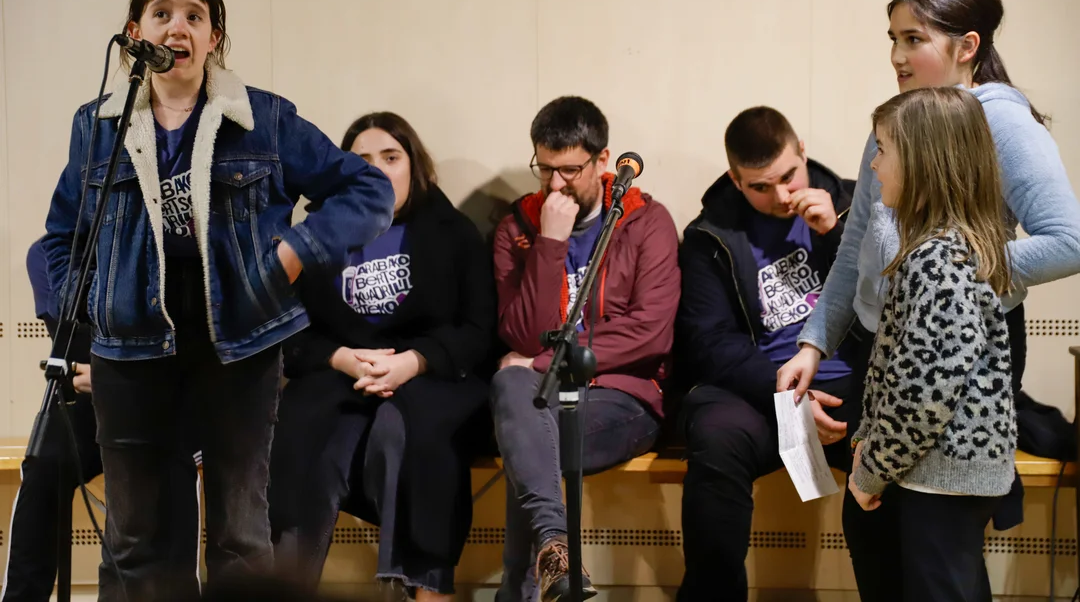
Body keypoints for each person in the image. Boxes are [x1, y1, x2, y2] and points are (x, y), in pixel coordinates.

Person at [42, 0, 395, 600]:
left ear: (214, 38)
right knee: (138, 539)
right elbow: (61, 238)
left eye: (194, 16)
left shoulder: (264, 118)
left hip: (240, 345)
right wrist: (88, 308)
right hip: (131, 353)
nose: (177, 27)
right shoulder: (96, 126)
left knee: (240, 536)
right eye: (161, 14)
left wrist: (296, 251)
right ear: (135, 33)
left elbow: (368, 190)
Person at [777, 0, 1080, 594]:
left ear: (967, 46)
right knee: (877, 530)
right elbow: (856, 247)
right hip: (886, 347)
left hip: (952, 350)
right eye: (892, 38)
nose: (896, 55)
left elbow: (1069, 241)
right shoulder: (894, 127)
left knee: (934, 543)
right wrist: (815, 341)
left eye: (913, 39)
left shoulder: (1003, 124)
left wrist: (949, 272)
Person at [269, 112, 496, 601]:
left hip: (434, 375)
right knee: (304, 430)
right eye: (362, 161)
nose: (377, 170)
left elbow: (478, 331)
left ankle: (422, 588)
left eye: (391, 158)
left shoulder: (453, 232)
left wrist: (414, 361)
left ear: (414, 165)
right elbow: (291, 337)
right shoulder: (316, 236)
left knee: (409, 432)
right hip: (341, 373)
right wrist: (341, 358)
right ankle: (286, 583)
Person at [490, 96, 680, 601]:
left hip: (624, 397)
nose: (555, 184)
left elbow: (650, 333)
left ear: (602, 160)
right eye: (545, 169)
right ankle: (557, 551)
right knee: (514, 391)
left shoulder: (645, 222)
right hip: (540, 397)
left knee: (527, 440)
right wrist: (550, 244)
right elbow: (521, 336)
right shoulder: (517, 229)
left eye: (570, 170)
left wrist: (541, 360)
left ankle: (520, 589)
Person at [674, 106, 862, 601]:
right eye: (760, 186)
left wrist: (836, 235)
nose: (781, 196)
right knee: (716, 439)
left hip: (853, 381)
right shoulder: (708, 236)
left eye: (788, 177)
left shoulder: (856, 205)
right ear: (736, 180)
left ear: (803, 152)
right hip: (762, 388)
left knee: (898, 440)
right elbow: (711, 342)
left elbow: (889, 303)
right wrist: (788, 397)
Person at [846, 86, 1016, 599]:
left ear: (922, 163)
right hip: (934, 474)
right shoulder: (940, 250)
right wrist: (868, 440)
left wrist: (871, 471)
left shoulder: (938, 262)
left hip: (942, 479)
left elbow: (922, 392)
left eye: (883, 149)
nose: (874, 165)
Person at [2, 238, 201, 602]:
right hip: (88, 401)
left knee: (174, 472)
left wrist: (119, 377)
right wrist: (108, 377)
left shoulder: (164, 246)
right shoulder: (47, 254)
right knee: (44, 464)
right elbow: (73, 343)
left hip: (161, 396)